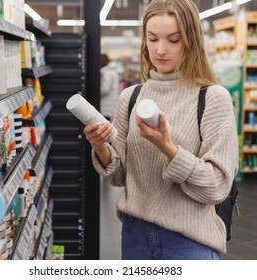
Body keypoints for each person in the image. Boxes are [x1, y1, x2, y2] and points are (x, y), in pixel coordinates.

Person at [84, 0, 238, 260]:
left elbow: (216, 187)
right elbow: (119, 176)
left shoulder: (212, 98)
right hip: (134, 236)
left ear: (191, 41)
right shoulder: (130, 97)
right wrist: (100, 146)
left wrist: (168, 147)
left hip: (189, 242)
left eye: (173, 40)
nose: (160, 50)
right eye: (152, 38)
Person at [100, 53, 120, 122]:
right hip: (110, 105)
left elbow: (105, 89)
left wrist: (95, 91)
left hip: (106, 107)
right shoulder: (112, 71)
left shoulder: (107, 73)